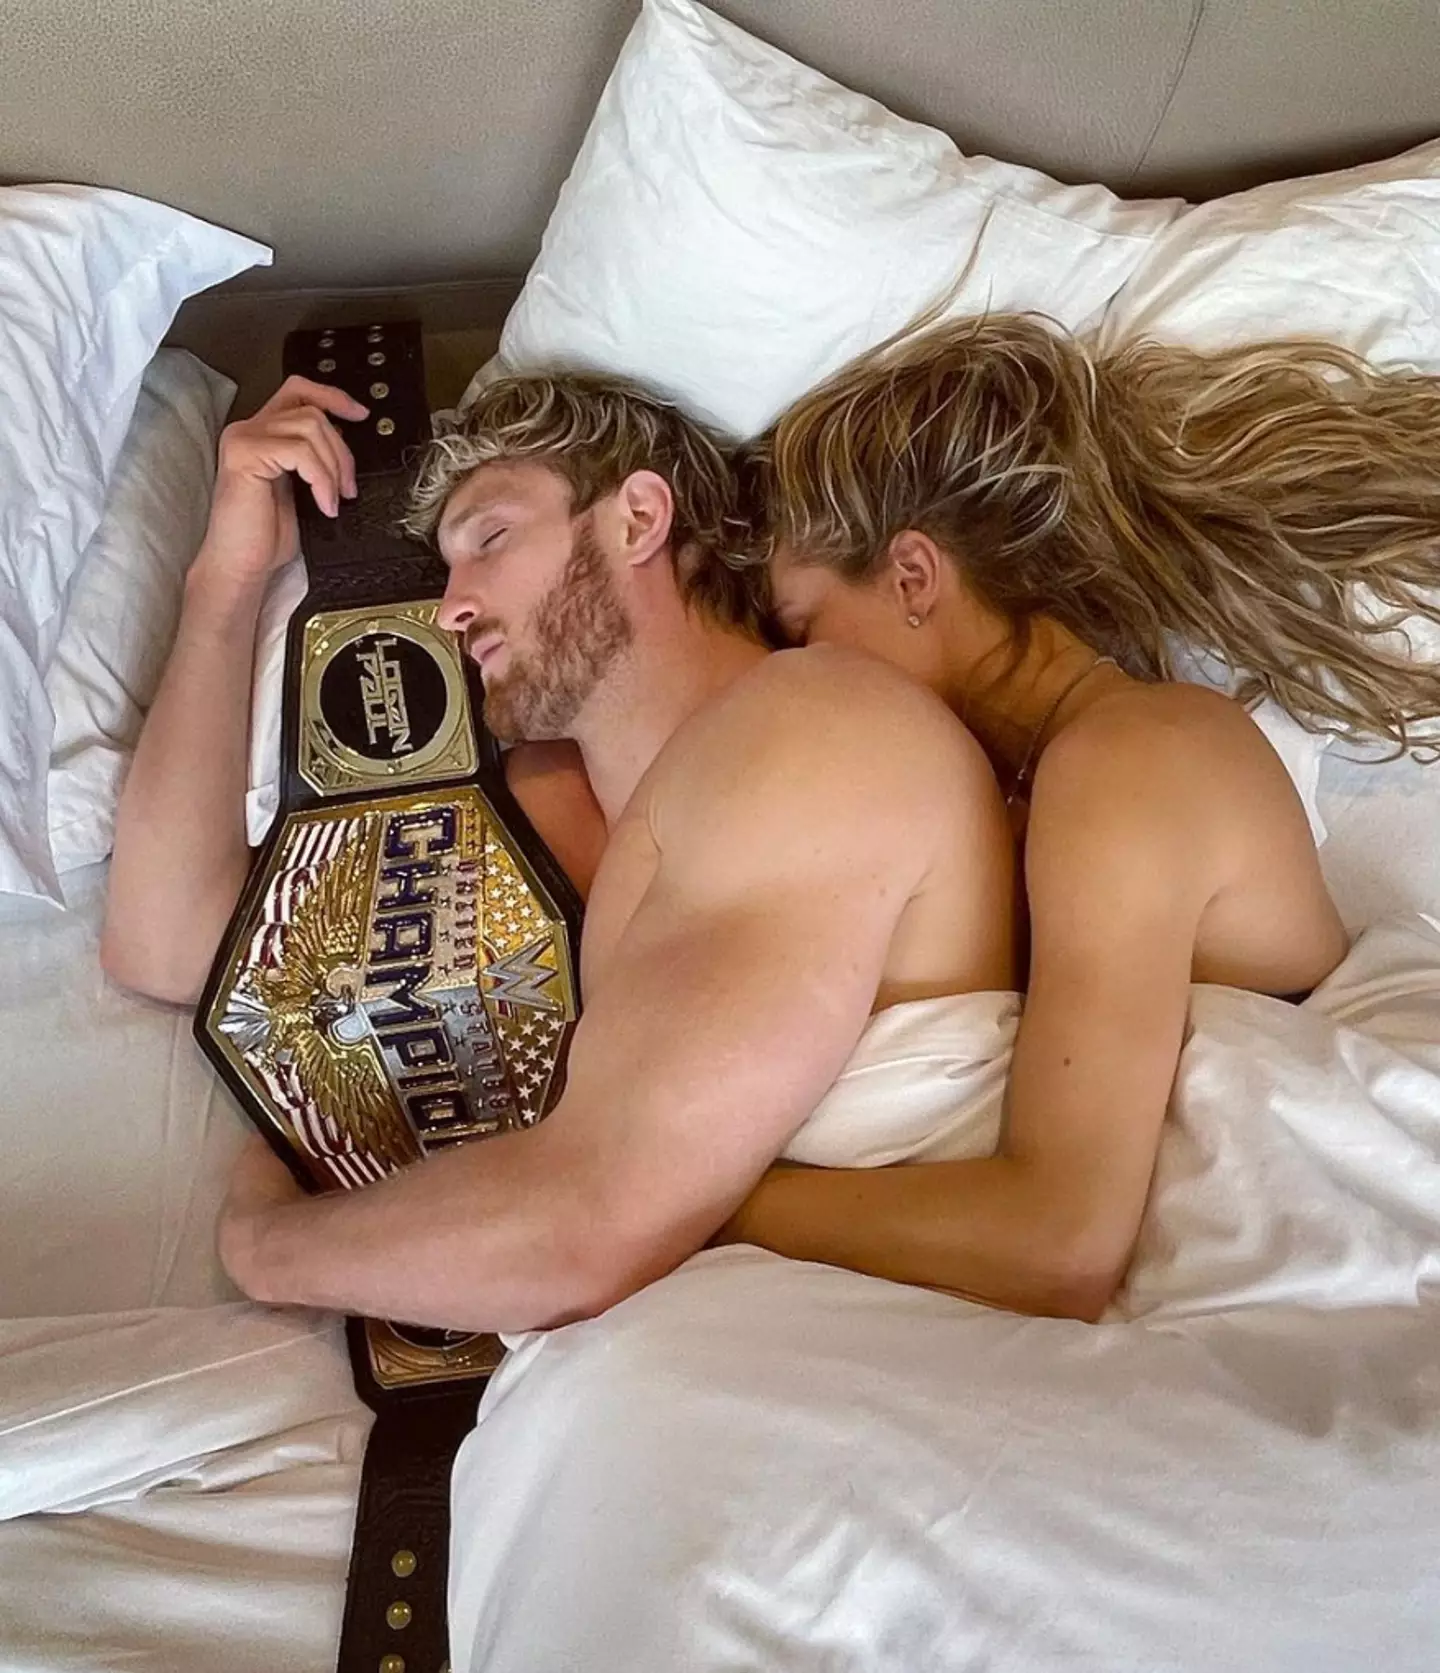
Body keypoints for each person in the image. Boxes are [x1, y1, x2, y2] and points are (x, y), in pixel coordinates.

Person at [102, 369, 1017, 1333]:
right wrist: (228, 580)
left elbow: (584, 1229)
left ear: (637, 519)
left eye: (490, 539)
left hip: (896, 1350)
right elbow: (171, 947)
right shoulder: (535, 815)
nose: (452, 607)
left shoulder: (817, 727)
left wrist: (264, 1243)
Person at [717, 311, 1440, 1320]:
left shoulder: (1126, 764)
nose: (798, 675)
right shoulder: (1043, 782)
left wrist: (720, 1208)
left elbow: (1056, 1242)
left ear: (915, 575)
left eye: (805, 628)